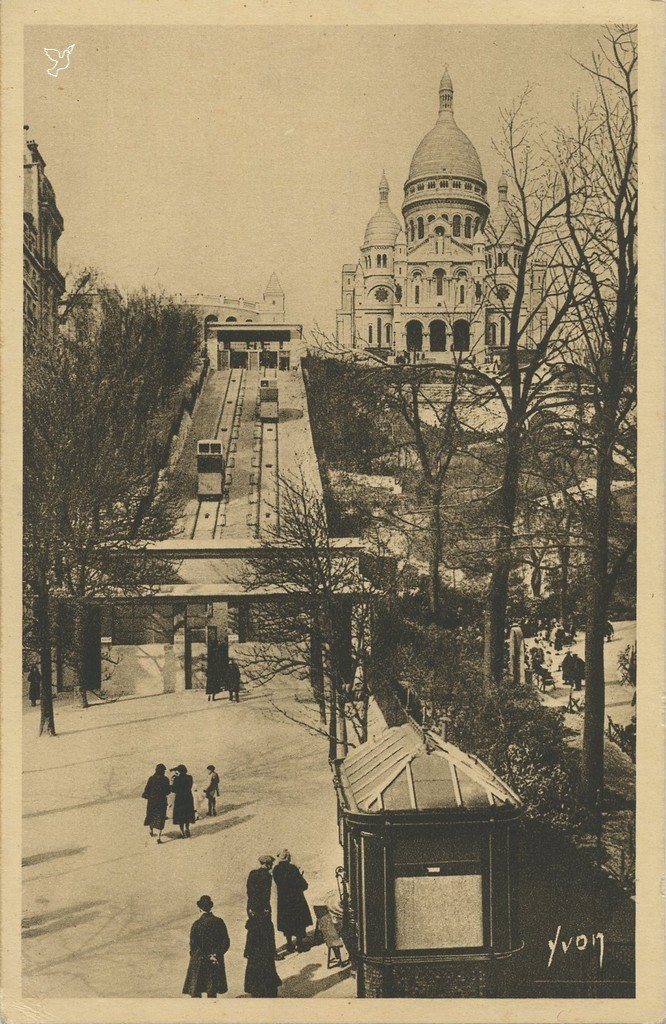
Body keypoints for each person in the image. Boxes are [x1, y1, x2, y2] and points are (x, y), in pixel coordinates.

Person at [182, 895, 230, 999]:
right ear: (210, 907)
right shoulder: (219, 922)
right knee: (212, 992)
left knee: (196, 991)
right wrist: (216, 954)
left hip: (199, 960)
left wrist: (199, 955)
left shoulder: (196, 924)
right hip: (215, 960)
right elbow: (226, 942)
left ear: (200, 908)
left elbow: (193, 946)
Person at [272, 849, 313, 953]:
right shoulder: (293, 869)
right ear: (287, 857)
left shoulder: (276, 870)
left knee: (287, 922)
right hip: (296, 900)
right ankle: (299, 944)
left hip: (284, 901)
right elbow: (303, 886)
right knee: (299, 922)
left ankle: (289, 944)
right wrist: (300, 875)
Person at [243, 910, 282, 998]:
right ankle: (270, 991)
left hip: (254, 954)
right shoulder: (268, 923)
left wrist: (246, 951)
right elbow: (271, 940)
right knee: (268, 972)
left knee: (255, 974)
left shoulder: (252, 923)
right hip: (266, 953)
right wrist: (273, 952)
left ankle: (257, 992)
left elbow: (249, 939)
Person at [142, 763, 171, 843]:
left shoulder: (151, 778)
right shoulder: (165, 779)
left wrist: (146, 795)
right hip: (161, 801)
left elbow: (147, 789)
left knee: (151, 815)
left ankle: (151, 830)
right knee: (160, 818)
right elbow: (168, 791)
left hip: (152, 801)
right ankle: (158, 837)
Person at [171, 764, 196, 838]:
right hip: (188, 797)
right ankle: (187, 829)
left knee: (180, 815)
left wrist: (172, 782)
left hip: (180, 798)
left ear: (179, 771)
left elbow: (174, 790)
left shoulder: (177, 779)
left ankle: (182, 832)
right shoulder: (189, 777)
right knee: (187, 813)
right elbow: (190, 786)